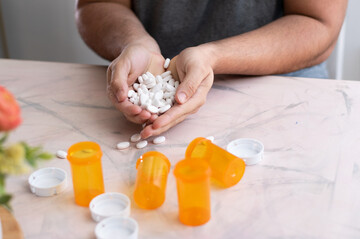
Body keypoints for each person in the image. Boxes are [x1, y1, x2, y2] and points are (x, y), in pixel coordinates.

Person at [75, 0, 347, 138]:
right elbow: (97, 4)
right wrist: (135, 43)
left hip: (282, 89)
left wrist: (212, 56)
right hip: (151, 78)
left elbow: (319, 23)